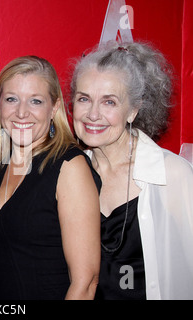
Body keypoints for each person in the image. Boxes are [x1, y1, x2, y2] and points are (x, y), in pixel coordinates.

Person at [70, 41, 193, 300]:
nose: (93, 114)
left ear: (133, 110)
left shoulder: (172, 175)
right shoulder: (69, 173)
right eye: (84, 99)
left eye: (109, 102)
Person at [0, 56, 101, 300]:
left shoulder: (69, 167)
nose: (22, 112)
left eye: (35, 101)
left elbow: (86, 283)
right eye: (11, 99)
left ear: (54, 108)